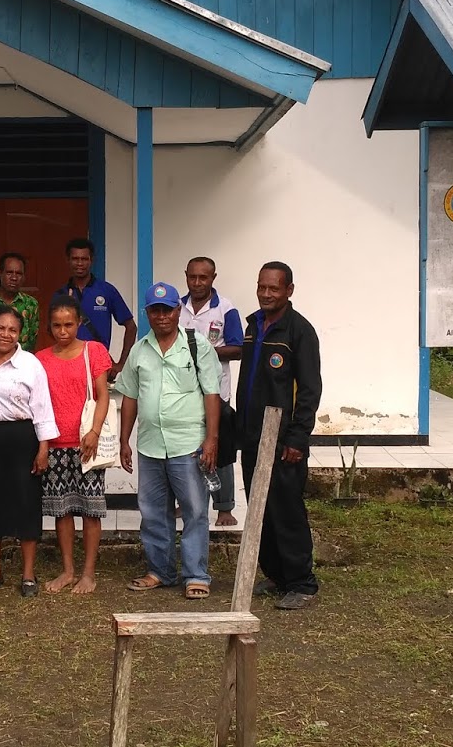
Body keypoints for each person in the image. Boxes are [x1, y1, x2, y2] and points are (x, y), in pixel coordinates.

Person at [118, 281, 221, 599]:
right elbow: (131, 397)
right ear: (147, 313)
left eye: (167, 309)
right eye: (155, 310)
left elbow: (212, 393)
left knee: (194, 511)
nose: (161, 315)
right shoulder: (139, 350)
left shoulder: (196, 345)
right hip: (150, 445)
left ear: (178, 310)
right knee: (152, 512)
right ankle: (160, 571)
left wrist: (211, 439)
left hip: (188, 443)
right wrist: (125, 440)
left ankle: (196, 575)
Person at [236, 262, 324, 611]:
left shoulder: (300, 332)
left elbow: (309, 390)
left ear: (289, 290)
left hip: (283, 441)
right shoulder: (252, 326)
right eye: (262, 287)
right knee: (261, 510)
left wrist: (297, 439)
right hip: (252, 437)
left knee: (286, 510)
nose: (267, 294)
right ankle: (276, 575)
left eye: (274, 288)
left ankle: (302, 582)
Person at [0, 306, 58, 597]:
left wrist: (43, 448)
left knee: (26, 505)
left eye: (12, 330)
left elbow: (43, 408)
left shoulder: (30, 364)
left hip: (22, 438)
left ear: (20, 333)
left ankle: (28, 574)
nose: (5, 335)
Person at [35, 295, 111, 595]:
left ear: (79, 322)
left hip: (86, 445)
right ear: (49, 327)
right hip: (54, 445)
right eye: (57, 325)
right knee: (62, 511)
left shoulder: (94, 351)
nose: (63, 331)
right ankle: (67, 571)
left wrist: (93, 431)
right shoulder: (40, 359)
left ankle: (88, 573)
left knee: (91, 511)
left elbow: (103, 394)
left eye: (69, 324)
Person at [180, 256, 246, 527]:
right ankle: (183, 504)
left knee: (219, 449)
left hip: (217, 392)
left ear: (213, 278)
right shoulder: (177, 306)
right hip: (182, 392)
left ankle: (224, 508)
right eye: (192, 277)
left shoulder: (226, 309)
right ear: (186, 276)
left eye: (203, 278)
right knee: (183, 448)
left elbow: (239, 348)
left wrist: (204, 352)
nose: (197, 283)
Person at [57, 238, 136, 380]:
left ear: (91, 260)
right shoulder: (61, 294)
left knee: (99, 402)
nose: (80, 263)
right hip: (68, 364)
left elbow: (131, 327)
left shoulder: (106, 290)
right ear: (67, 260)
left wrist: (121, 364)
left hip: (99, 365)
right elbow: (51, 330)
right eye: (75, 259)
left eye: (84, 259)